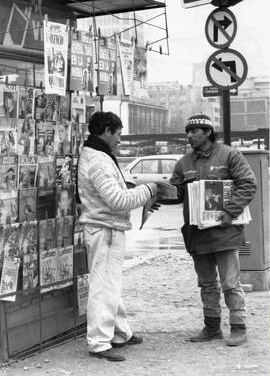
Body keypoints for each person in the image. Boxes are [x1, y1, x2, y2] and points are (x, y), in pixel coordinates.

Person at [77, 111, 161, 362]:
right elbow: (118, 200)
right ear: (106, 131)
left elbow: (115, 193)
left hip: (107, 227)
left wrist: (138, 191)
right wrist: (149, 190)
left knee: (110, 285)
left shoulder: (99, 155)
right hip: (104, 228)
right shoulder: (98, 161)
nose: (120, 140)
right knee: (103, 287)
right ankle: (99, 343)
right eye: (118, 134)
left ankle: (120, 332)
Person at [170, 114, 257, 347]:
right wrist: (155, 193)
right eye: (187, 131)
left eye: (194, 131)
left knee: (230, 283)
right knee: (207, 284)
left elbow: (248, 184)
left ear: (208, 132)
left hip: (225, 233)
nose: (189, 136)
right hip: (197, 235)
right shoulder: (183, 163)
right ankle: (212, 327)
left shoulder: (229, 155)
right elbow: (176, 192)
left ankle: (239, 328)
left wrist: (230, 212)